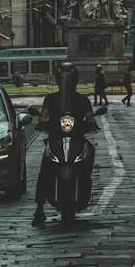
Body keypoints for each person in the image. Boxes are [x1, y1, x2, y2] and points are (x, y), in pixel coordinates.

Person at [33, 63, 98, 226]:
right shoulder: (51, 99)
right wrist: (42, 121)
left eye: (69, 79)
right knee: (45, 169)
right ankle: (39, 208)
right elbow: (44, 114)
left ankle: (85, 180)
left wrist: (91, 122)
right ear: (58, 80)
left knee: (90, 149)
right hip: (56, 137)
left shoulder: (82, 100)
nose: (66, 82)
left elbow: (89, 116)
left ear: (75, 80)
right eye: (64, 79)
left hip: (76, 137)